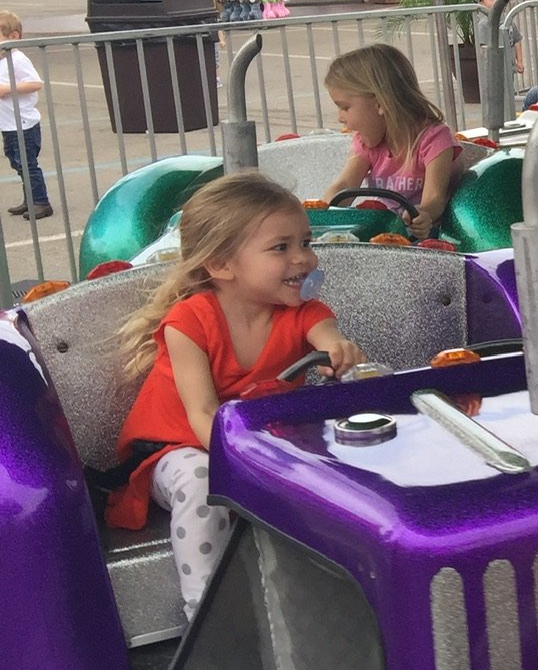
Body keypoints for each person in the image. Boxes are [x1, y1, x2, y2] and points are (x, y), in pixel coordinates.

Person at [107, 173, 365, 614]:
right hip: (179, 448)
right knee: (200, 478)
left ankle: (327, 604)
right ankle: (205, 614)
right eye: (281, 248)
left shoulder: (304, 312)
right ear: (222, 265)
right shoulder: (190, 322)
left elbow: (328, 336)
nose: (303, 259)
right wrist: (249, 469)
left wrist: (340, 353)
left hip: (257, 444)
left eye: (305, 241)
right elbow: (203, 413)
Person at [319, 43, 460, 238]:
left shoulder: (434, 138)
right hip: (384, 233)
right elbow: (345, 185)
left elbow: (435, 198)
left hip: (424, 238)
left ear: (380, 104)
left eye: (345, 107)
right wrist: (318, 214)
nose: (340, 118)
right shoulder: (367, 143)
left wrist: (423, 213)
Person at [0, 10, 50, 220]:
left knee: (27, 163)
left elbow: (36, 83)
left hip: (23, 123)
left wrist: (8, 88)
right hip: (8, 124)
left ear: (13, 37)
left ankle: (41, 201)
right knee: (16, 161)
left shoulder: (17, 59)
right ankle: (29, 198)